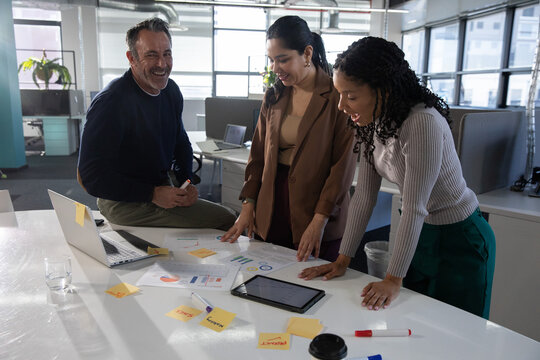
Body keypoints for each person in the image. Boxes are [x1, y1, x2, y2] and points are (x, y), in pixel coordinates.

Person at [299, 37, 496, 319]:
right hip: (421, 233)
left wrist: (392, 279)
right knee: (415, 325)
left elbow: (416, 206)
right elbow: (365, 196)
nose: (342, 105)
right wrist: (343, 260)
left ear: (384, 90)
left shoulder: (421, 123)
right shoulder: (372, 121)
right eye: (339, 94)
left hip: (459, 237)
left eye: (351, 96)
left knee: (458, 331)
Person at [78, 18, 235, 231]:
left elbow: (181, 143)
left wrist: (186, 182)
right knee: (226, 218)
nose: (162, 64)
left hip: (160, 182)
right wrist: (152, 194)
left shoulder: (170, 91)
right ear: (132, 58)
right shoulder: (111, 103)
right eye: (151, 55)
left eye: (166, 54)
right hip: (122, 200)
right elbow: (90, 177)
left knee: (212, 214)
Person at [220, 16, 355, 262]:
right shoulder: (274, 96)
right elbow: (258, 156)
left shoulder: (337, 96)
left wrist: (319, 219)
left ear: (307, 53)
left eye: (283, 59)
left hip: (317, 210)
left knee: (311, 291)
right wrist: (248, 206)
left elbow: (342, 169)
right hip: (271, 208)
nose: (275, 68)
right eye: (271, 60)